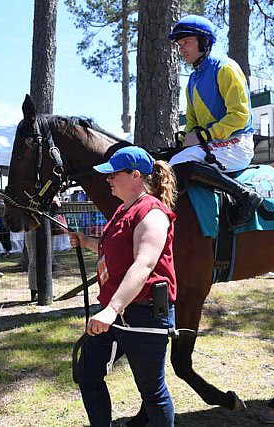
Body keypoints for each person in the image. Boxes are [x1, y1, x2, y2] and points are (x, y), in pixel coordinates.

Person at [69, 146, 177, 427]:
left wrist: (111, 310)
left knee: (152, 391)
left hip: (143, 313)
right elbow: (114, 250)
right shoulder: (122, 210)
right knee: (88, 373)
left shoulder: (153, 214)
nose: (108, 180)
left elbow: (143, 265)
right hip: (114, 311)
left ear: (136, 176)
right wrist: (86, 241)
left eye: (114, 174)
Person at [168, 14, 262, 229]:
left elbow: (239, 116)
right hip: (211, 144)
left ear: (204, 42)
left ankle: (245, 196)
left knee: (179, 165)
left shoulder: (225, 68)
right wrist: (187, 137)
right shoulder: (192, 80)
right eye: (180, 44)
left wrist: (204, 135)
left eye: (187, 42)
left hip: (236, 143)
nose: (182, 49)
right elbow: (192, 121)